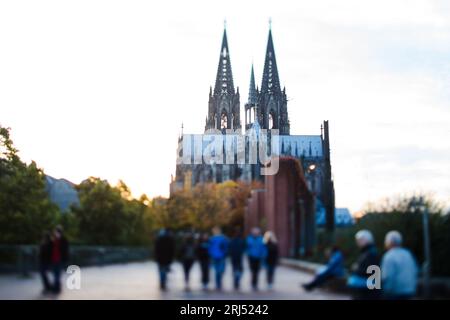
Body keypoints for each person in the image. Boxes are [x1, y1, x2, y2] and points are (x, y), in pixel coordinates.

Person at [381, 231, 418, 299]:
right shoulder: (408, 254)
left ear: (389, 242)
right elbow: (415, 270)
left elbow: (388, 276)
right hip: (410, 291)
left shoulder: (389, 256)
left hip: (395, 293)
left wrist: (386, 291)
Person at [348, 230, 381, 300]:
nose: (358, 242)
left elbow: (372, 273)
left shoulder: (371, 254)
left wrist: (356, 269)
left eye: (360, 240)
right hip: (366, 292)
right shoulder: (368, 252)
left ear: (366, 240)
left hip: (366, 293)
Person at [208, 226, 228, 290]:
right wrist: (210, 254)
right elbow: (209, 247)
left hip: (221, 256)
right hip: (215, 256)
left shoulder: (223, 238)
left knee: (220, 270)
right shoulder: (212, 239)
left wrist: (224, 253)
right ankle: (218, 284)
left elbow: (225, 247)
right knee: (217, 271)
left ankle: (219, 283)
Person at [50, 225, 69, 294]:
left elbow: (65, 250)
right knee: (55, 273)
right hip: (53, 259)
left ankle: (56, 288)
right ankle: (56, 286)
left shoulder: (63, 240)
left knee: (57, 274)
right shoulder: (54, 240)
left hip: (59, 259)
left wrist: (65, 259)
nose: (55, 233)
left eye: (56, 231)